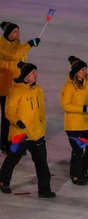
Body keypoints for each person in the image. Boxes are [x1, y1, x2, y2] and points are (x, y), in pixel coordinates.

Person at [0, 62, 54, 198]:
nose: (36, 75)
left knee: (42, 163)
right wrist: (17, 121)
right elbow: (9, 111)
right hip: (20, 134)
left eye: (36, 72)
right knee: (12, 159)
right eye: (33, 73)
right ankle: (3, 182)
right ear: (25, 75)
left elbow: (41, 111)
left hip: (37, 134)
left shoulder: (38, 90)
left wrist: (42, 126)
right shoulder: (15, 90)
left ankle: (44, 189)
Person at [0, 22, 40, 154]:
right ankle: (5, 143)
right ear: (7, 33)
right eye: (14, 32)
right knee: (7, 117)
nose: (17, 34)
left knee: (18, 116)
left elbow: (20, 59)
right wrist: (29, 44)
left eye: (18, 31)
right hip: (3, 87)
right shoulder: (1, 45)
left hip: (16, 88)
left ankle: (15, 143)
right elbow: (13, 55)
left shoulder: (18, 45)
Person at [60, 56, 88, 185]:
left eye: (85, 69)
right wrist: (83, 108)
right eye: (82, 69)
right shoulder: (68, 87)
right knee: (78, 150)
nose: (85, 71)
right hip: (73, 126)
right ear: (76, 71)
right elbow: (65, 105)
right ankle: (76, 174)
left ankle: (82, 169)